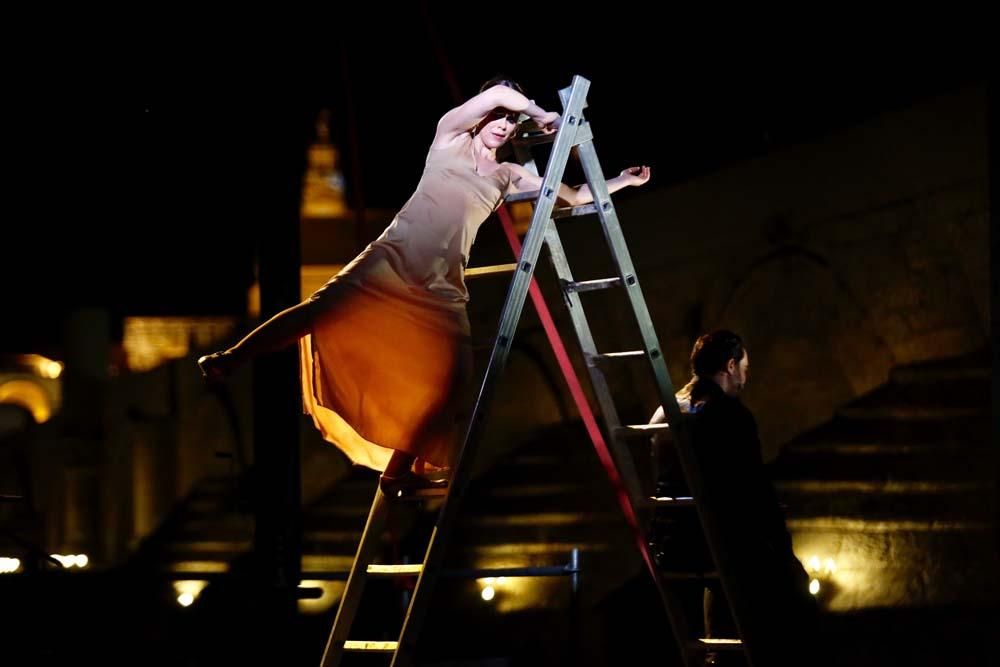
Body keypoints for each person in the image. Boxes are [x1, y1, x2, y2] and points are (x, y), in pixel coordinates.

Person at [197, 76, 651, 496]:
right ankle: (229, 358)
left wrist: (620, 182)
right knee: (321, 309)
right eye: (496, 116)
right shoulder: (448, 140)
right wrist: (536, 111)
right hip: (392, 261)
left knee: (454, 381)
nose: (502, 124)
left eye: (509, 121)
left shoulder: (506, 176)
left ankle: (397, 470)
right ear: (479, 116)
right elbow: (495, 96)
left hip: (441, 286)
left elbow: (570, 197)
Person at [648, 330, 818, 666]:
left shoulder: (663, 412)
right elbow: (755, 492)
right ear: (730, 366)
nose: (745, 379)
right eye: (744, 369)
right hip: (715, 541)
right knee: (792, 602)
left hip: (671, 544)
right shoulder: (730, 415)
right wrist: (787, 555)